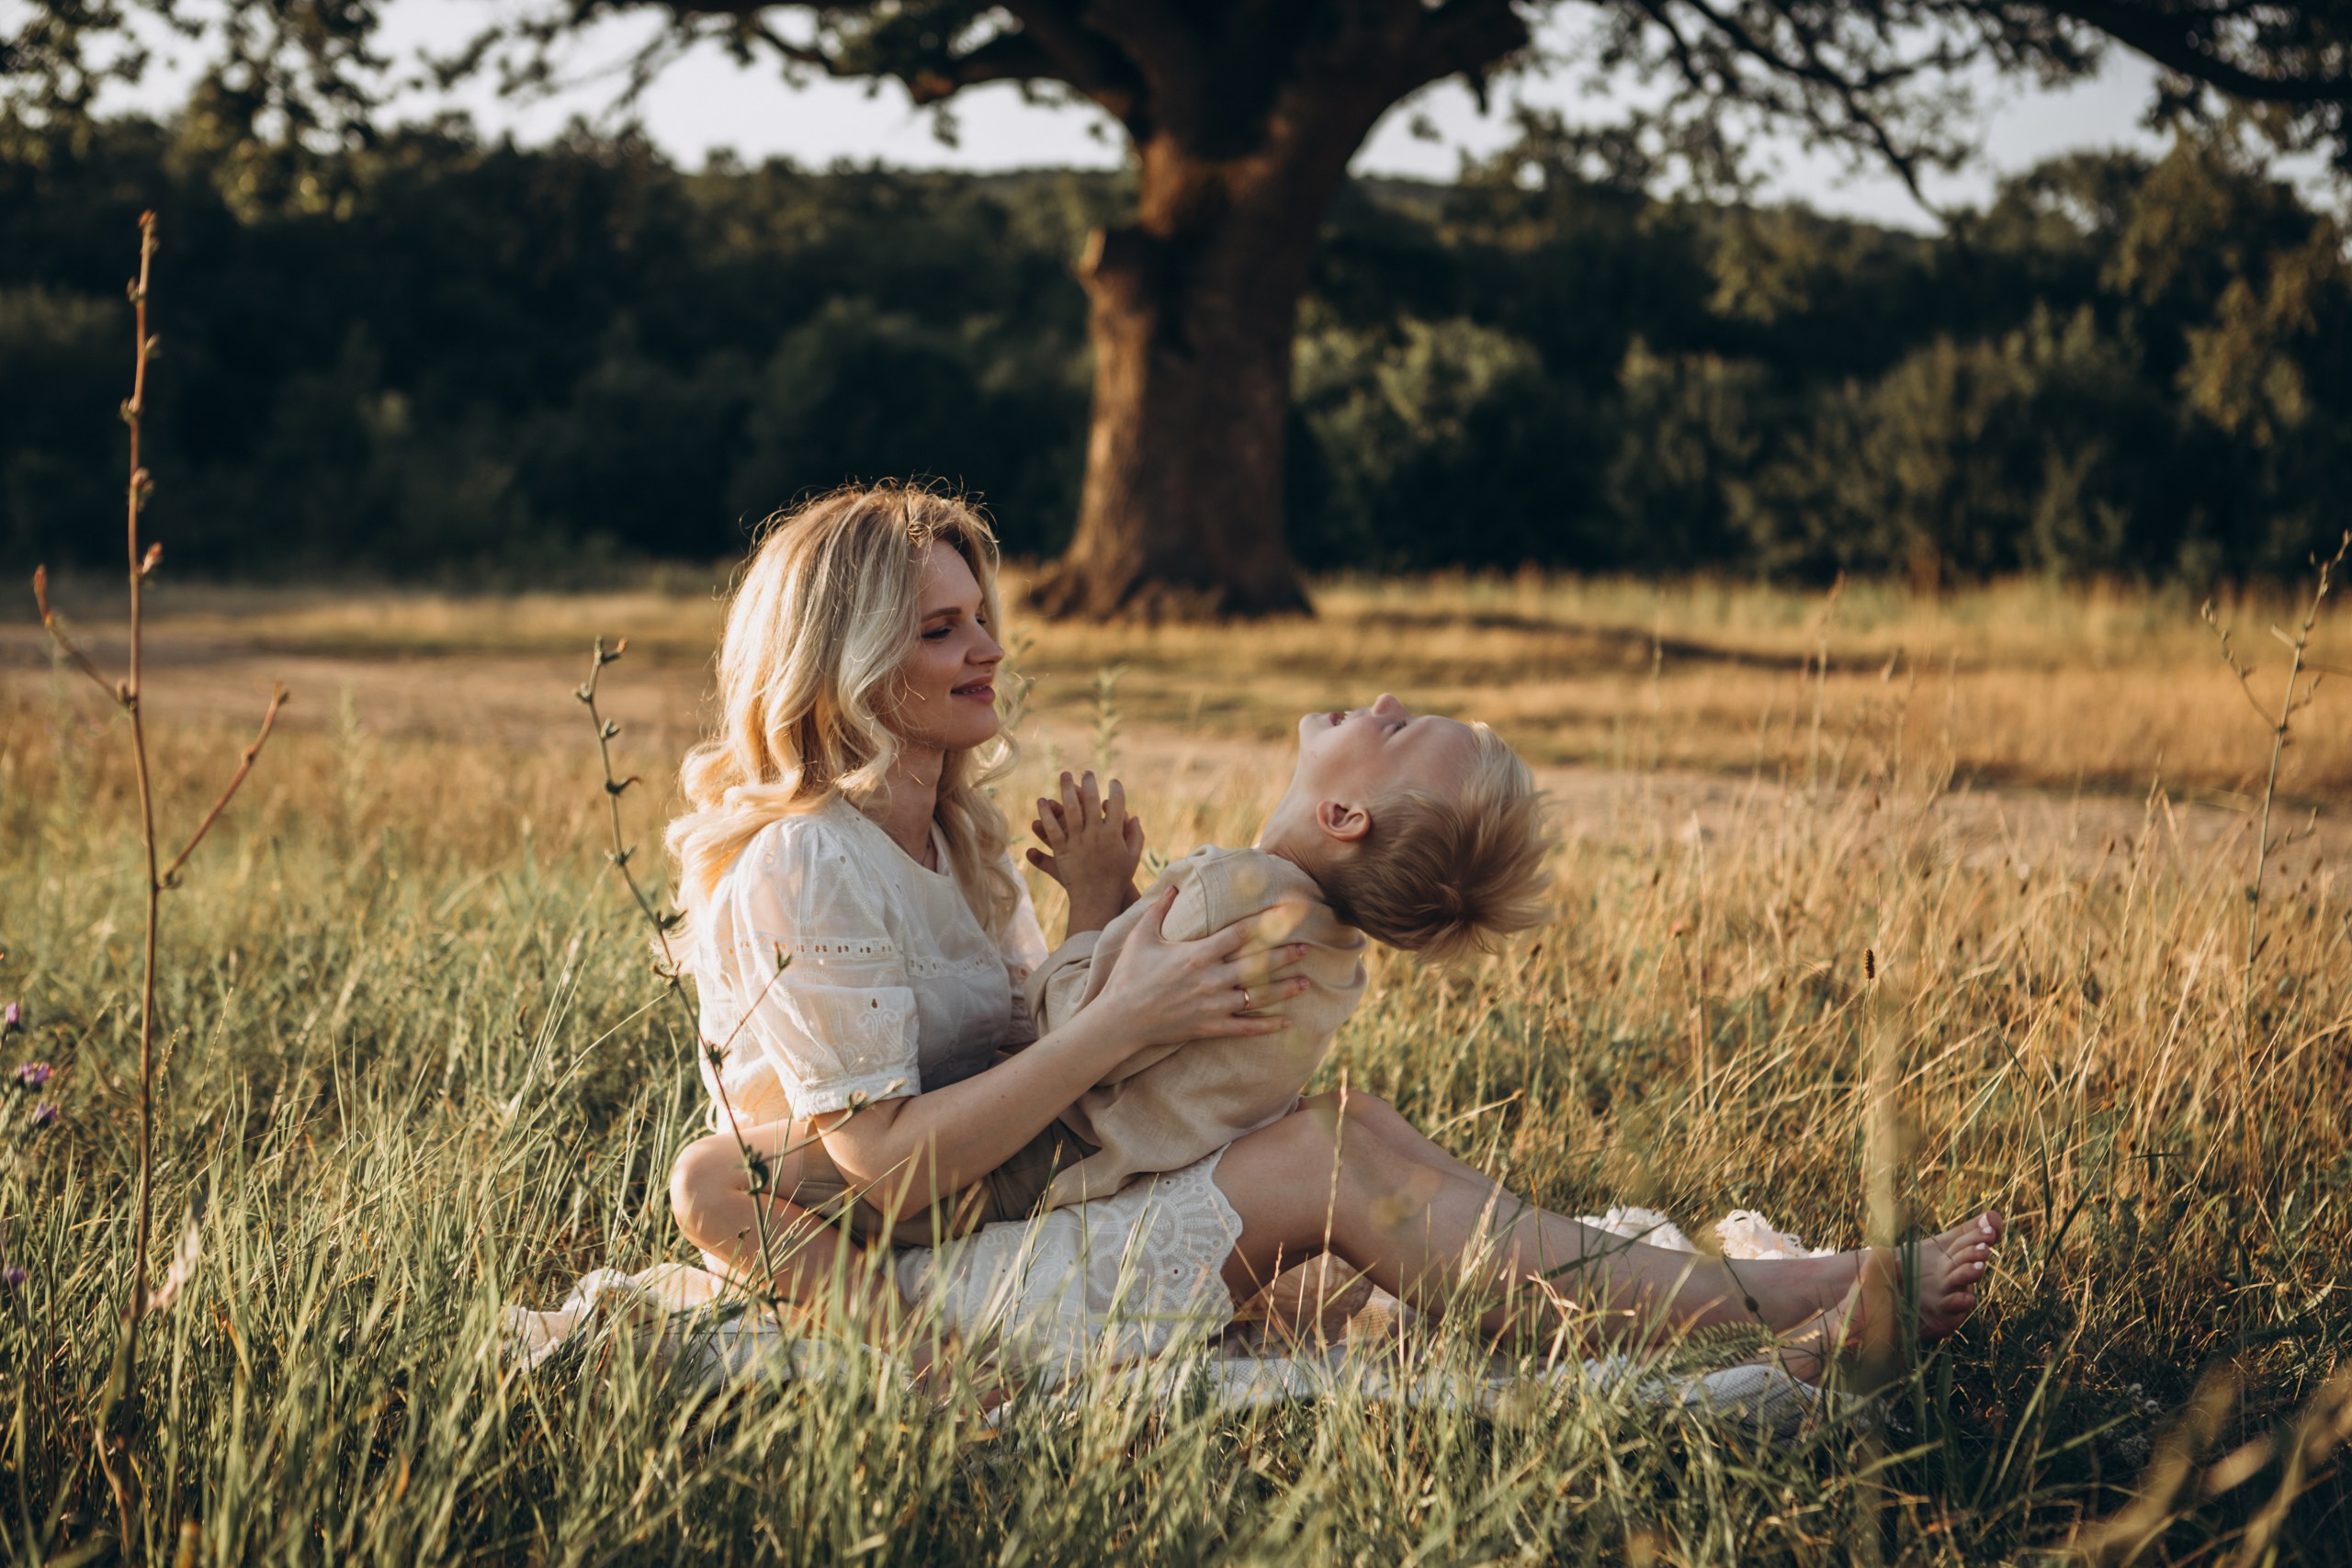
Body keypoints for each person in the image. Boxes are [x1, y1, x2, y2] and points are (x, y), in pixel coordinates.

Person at [665, 482, 2002, 1385]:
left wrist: (1095, 913)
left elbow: (1039, 1034)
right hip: (947, 1258)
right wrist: (1135, 1013)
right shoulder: (809, 861)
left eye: (982, 623)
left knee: (1358, 1131)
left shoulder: (955, 838)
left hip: (1025, 1191)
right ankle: (1775, 1329)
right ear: (842, 661)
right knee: (1327, 1164)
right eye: (940, 630)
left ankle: (1805, 1290)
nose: (986, 654)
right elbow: (889, 1162)